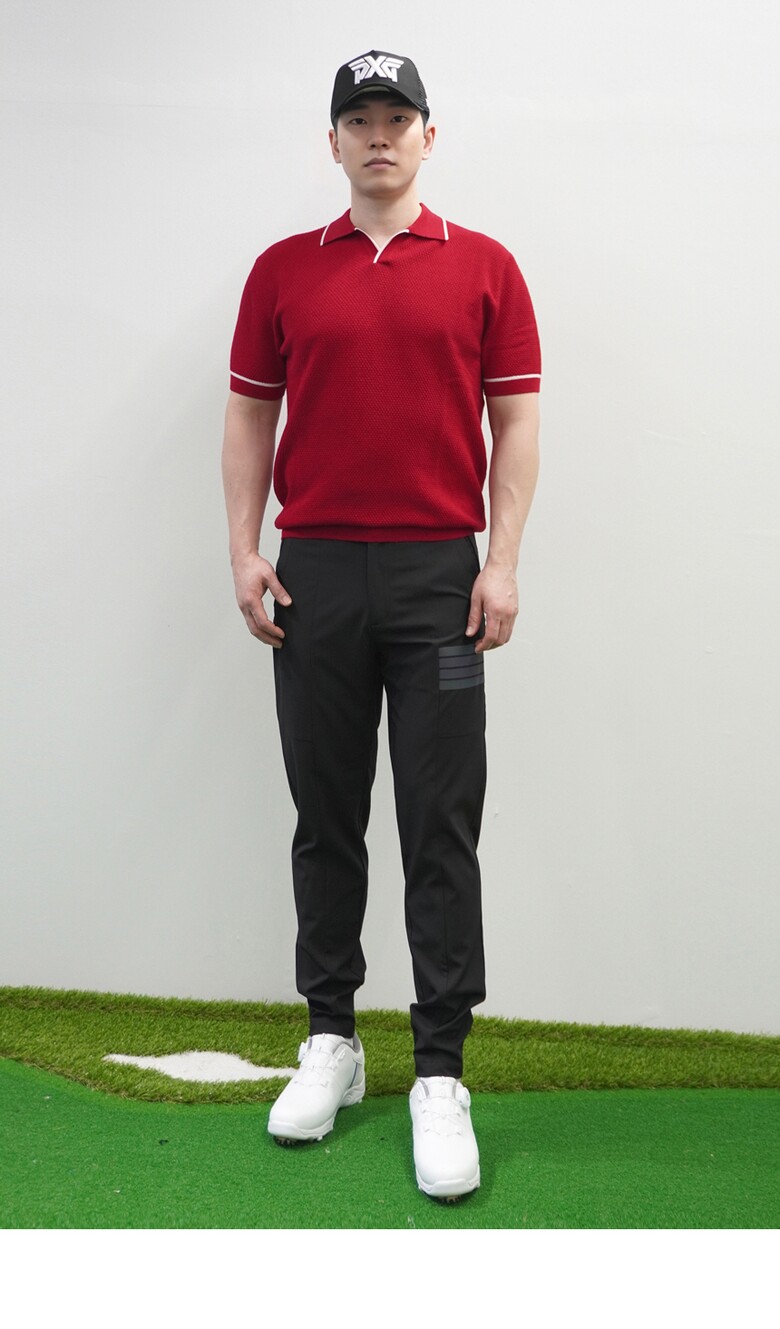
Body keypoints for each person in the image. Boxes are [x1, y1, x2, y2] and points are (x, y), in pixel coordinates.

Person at [221, 49, 541, 1202]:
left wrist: (500, 564)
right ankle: (332, 1039)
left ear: (427, 136)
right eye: (358, 119)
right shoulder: (282, 272)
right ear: (333, 141)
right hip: (314, 577)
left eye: (396, 118)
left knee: (439, 820)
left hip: (438, 582)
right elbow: (249, 417)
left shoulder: (486, 268)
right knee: (327, 814)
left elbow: (517, 423)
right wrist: (245, 549)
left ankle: (440, 1070)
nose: (378, 136)